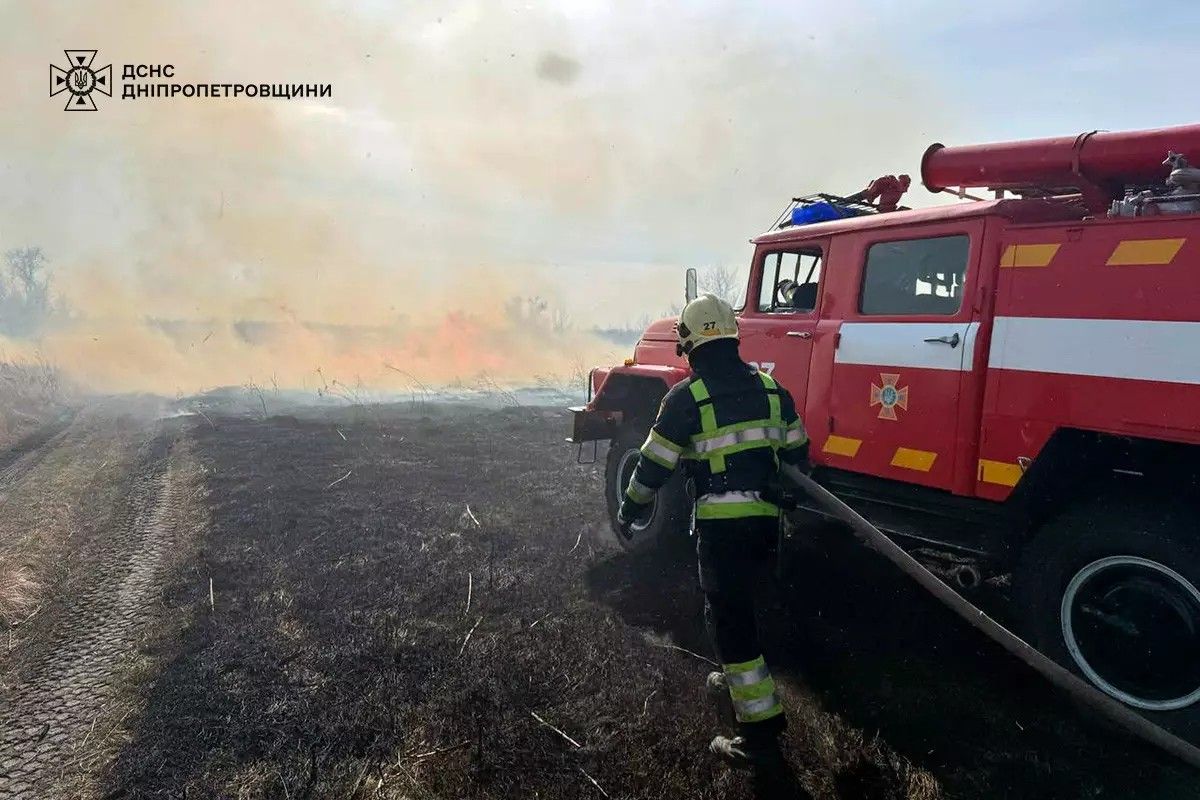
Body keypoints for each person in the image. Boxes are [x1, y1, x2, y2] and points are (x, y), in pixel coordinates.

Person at [617, 293, 810, 770]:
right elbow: (798, 457)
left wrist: (629, 509)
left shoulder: (685, 399)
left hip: (722, 532)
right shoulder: (774, 391)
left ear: (688, 345)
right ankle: (738, 683)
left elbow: (652, 467)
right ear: (733, 337)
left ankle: (758, 735)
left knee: (730, 623)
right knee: (748, 610)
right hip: (766, 527)